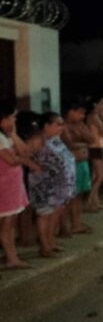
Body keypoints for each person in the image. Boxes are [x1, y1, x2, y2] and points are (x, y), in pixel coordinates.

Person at [27, 112, 77, 258]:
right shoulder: (37, 140)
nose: (61, 127)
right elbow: (23, 155)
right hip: (44, 185)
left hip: (60, 185)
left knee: (55, 214)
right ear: (46, 126)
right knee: (44, 215)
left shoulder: (55, 138)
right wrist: (34, 165)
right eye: (58, 124)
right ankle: (45, 247)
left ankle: (51, 242)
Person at [0, 101, 37, 269]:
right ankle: (11, 259)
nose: (14, 120)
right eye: (12, 117)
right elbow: (12, 160)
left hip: (12, 185)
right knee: (7, 225)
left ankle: (12, 257)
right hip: (4, 186)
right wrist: (25, 161)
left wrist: (14, 135)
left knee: (10, 223)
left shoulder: (6, 136)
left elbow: (25, 151)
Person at [61, 101, 94, 235]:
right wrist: (82, 144)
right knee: (67, 197)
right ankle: (63, 227)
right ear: (70, 111)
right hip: (69, 164)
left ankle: (76, 224)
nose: (83, 116)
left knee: (78, 195)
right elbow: (68, 144)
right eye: (80, 112)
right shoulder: (62, 126)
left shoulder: (80, 125)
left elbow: (91, 139)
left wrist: (80, 136)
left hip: (82, 163)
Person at [85, 97, 103, 211]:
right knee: (100, 176)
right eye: (102, 103)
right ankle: (89, 201)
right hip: (96, 146)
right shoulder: (94, 116)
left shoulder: (95, 116)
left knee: (96, 175)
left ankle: (96, 201)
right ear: (95, 104)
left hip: (100, 145)